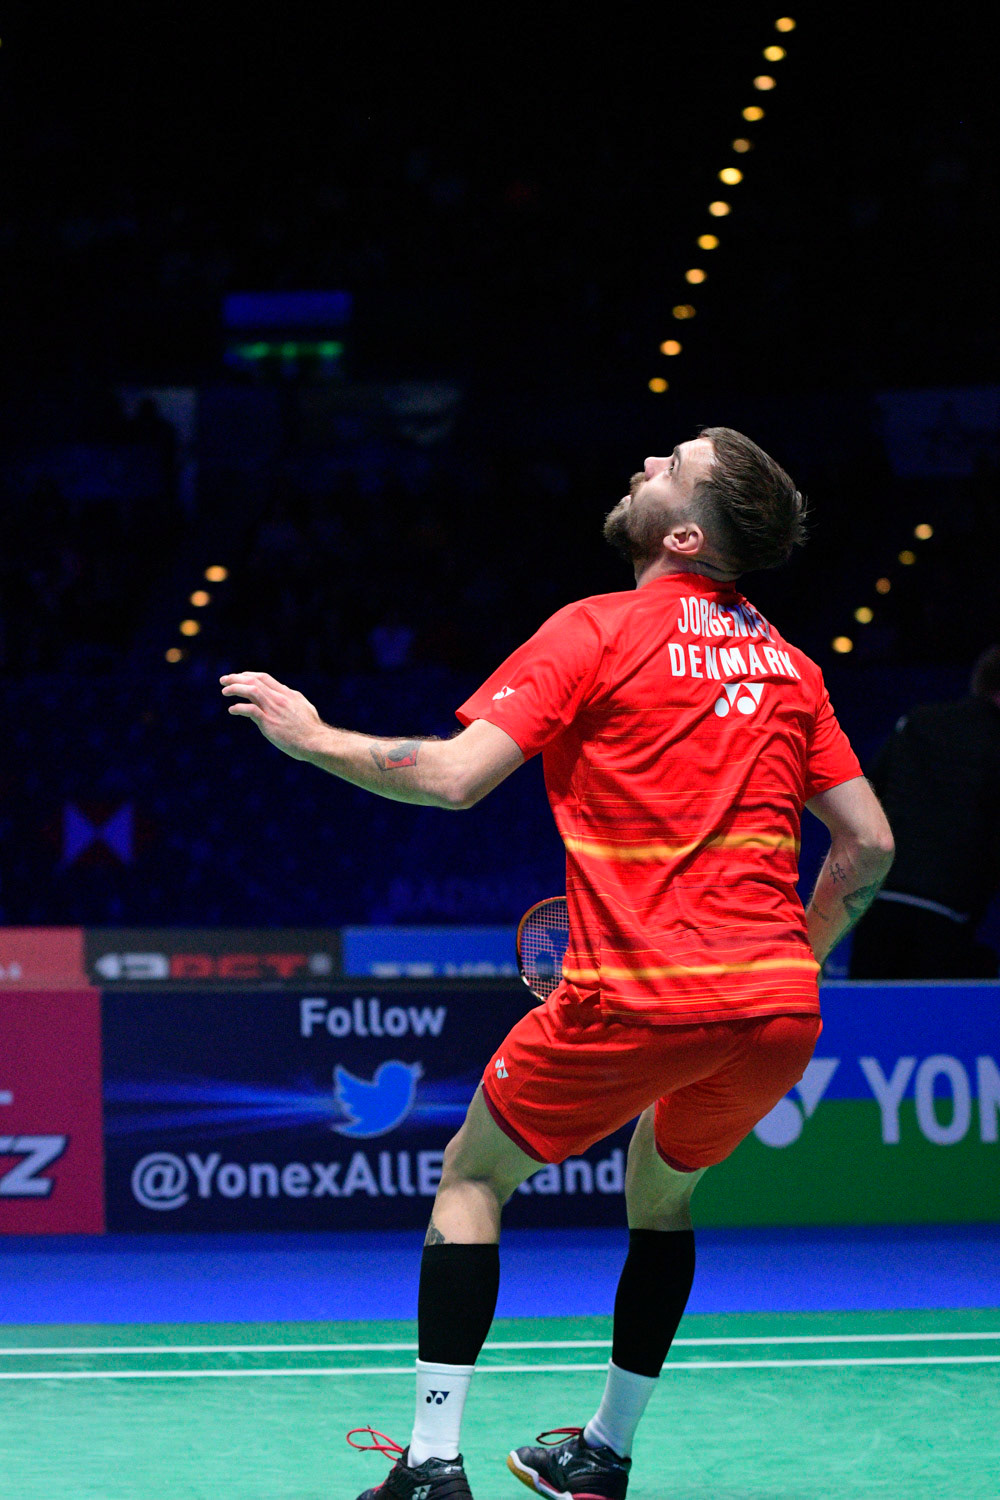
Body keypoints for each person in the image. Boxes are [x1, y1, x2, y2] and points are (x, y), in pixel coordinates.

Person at [220, 425, 894, 1500]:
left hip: (640, 994)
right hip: (774, 1012)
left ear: (684, 534)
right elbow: (869, 846)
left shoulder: (595, 629)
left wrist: (310, 737)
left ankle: (431, 1465)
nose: (643, 465)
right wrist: (789, 962)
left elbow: (451, 778)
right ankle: (603, 1454)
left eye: (670, 467)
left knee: (471, 1178)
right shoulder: (792, 668)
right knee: (662, 1197)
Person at [849, 644, 1000, 979]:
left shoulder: (917, 721)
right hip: (945, 916)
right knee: (937, 1012)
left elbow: (864, 798)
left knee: (871, 1010)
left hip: (879, 904)